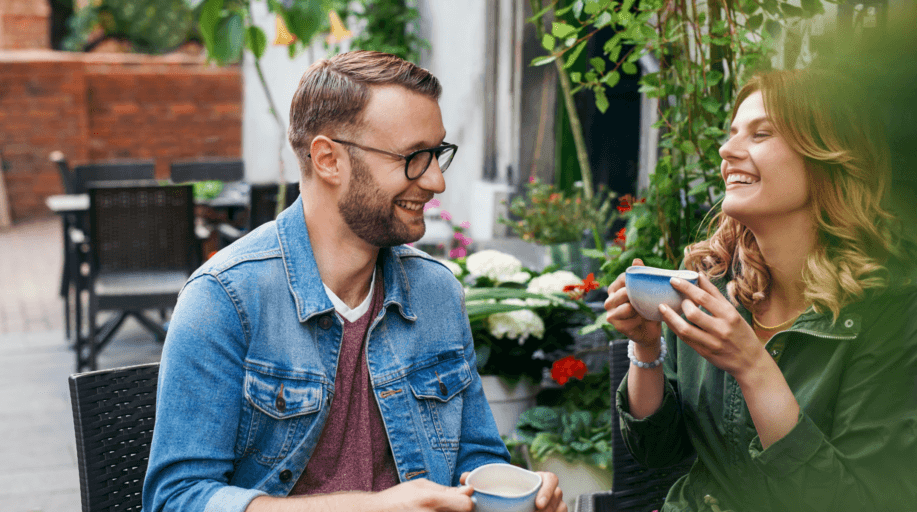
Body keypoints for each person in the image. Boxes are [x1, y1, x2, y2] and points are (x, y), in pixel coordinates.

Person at [143, 50, 566, 512]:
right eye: (414, 157)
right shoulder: (225, 299)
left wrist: (516, 493)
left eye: (438, 154)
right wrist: (374, 506)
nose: (436, 181)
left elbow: (475, 457)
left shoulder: (437, 291)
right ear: (328, 159)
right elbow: (177, 500)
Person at [604, 68, 917, 512]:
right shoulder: (710, 281)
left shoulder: (891, 313)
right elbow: (658, 452)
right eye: (732, 134)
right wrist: (646, 346)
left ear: (825, 154)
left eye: (761, 134)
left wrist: (752, 366)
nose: (727, 150)